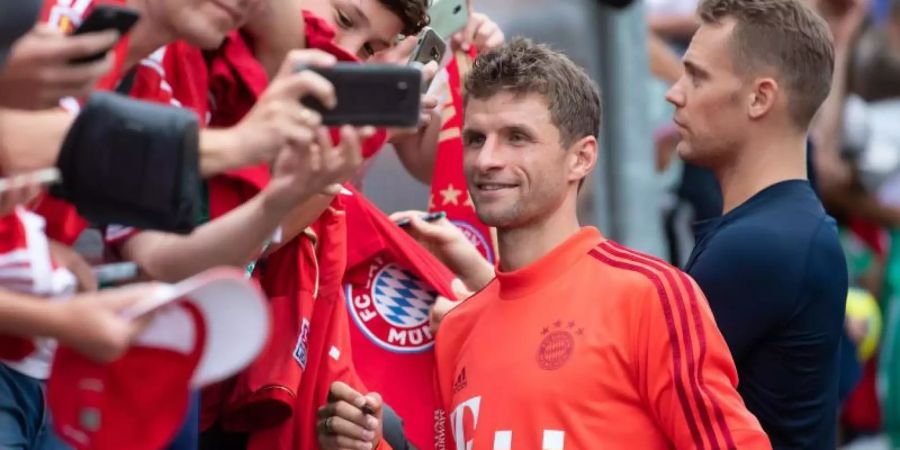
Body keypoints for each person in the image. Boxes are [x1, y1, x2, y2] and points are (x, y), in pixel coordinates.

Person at [317, 38, 771, 450]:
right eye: (476, 139)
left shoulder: (650, 295)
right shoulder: (457, 327)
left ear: (581, 157)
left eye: (517, 138)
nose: (487, 160)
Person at [665, 0, 849, 447]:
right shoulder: (783, 230)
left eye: (697, 75)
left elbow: (638, 398)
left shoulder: (759, 246)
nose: (675, 92)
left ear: (760, 97)